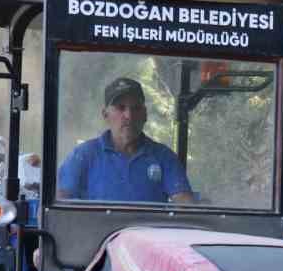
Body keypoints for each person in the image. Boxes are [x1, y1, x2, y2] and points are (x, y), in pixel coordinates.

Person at [57, 77, 194, 204]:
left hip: (147, 230)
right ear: (105, 115)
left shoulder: (163, 157)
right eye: (121, 108)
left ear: (145, 114)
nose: (129, 115)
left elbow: (185, 205)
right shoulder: (84, 155)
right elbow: (59, 201)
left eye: (136, 108)